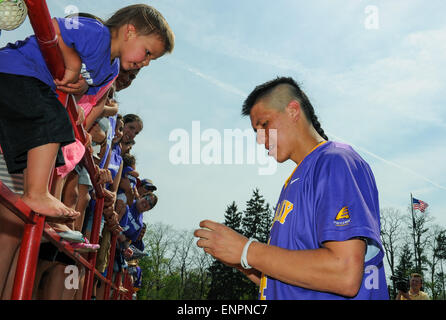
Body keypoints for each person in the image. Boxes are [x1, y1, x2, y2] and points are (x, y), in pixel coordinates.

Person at [195, 76, 389, 300]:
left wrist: (248, 250)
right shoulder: (294, 180)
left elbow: (344, 273)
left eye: (264, 125)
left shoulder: (335, 160)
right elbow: (290, 280)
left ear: (293, 111)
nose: (260, 139)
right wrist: (242, 260)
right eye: (256, 131)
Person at [0, 4, 174, 218]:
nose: (146, 62)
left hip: (32, 91)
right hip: (17, 69)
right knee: (54, 121)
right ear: (130, 31)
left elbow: (84, 92)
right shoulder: (97, 32)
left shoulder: (111, 69)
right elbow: (54, 27)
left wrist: (81, 90)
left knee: (48, 140)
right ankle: (36, 192)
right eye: (147, 53)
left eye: (151, 59)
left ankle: (34, 190)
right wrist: (73, 63)